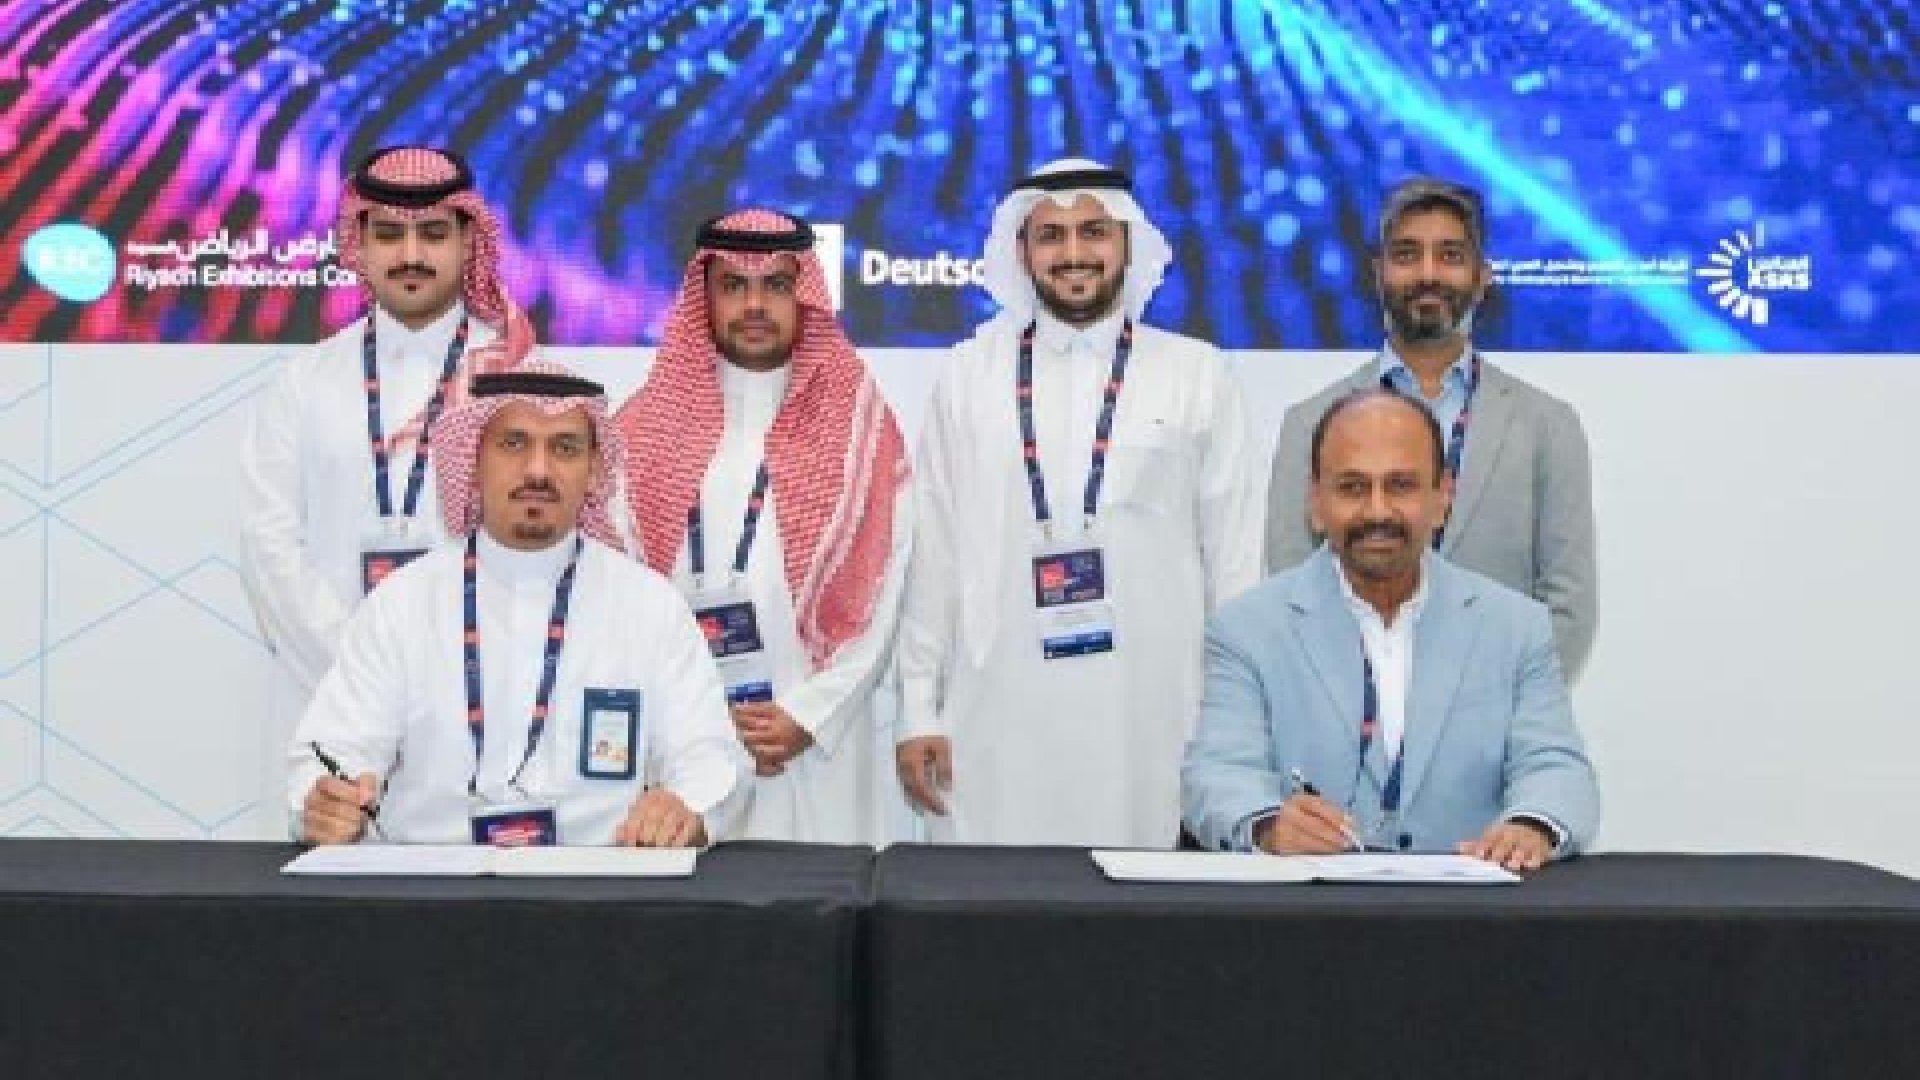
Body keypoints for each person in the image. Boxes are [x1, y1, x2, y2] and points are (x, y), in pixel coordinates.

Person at [895, 158, 1264, 847]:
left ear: (1128, 243)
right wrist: (918, 706)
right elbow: (935, 551)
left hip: (1153, 714)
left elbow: (1235, 565)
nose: (1073, 254)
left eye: (1093, 231)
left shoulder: (1196, 374)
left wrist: (1239, 726)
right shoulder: (969, 376)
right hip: (997, 710)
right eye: (1051, 236)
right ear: (1021, 252)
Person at [290, 363, 745, 847]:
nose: (538, 470)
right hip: (431, 890)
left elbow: (710, 757)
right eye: (513, 444)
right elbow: (332, 751)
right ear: (473, 459)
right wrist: (323, 804)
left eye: (565, 448)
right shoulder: (401, 605)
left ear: (594, 470)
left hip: (596, 892)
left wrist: (686, 807)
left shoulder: (651, 608)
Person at [1185, 388, 1598, 870]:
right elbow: (1217, 772)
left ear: (1442, 498)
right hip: (1311, 920)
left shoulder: (1515, 626)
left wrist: (1531, 826)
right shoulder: (1247, 629)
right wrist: (1267, 825)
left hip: (1473, 923)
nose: (1377, 512)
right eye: (1353, 488)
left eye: (1400, 485)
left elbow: (1556, 767)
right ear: (1316, 502)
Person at [242, 146, 537, 806]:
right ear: (360, 245)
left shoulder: (519, 375)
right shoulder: (304, 383)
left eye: (434, 233)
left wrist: (445, 678)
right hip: (327, 704)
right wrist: (368, 671)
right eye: (390, 234)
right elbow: (270, 550)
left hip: (484, 705)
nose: (411, 254)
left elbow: (545, 549)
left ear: (469, 242)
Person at [618, 209, 911, 844]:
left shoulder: (860, 424)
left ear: (803, 292)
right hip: (682, 743)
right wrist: (683, 720)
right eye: (734, 286)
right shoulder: (641, 429)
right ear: (705, 297)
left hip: (818, 744)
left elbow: (886, 589)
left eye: (777, 285)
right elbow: (619, 595)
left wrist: (808, 714)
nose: (756, 304)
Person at [1264, 177, 1597, 681]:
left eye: (1450, 256)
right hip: (1350, 727)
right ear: (1378, 274)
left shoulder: (1545, 427)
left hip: (1493, 734)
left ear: (1482, 278)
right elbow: (1292, 592)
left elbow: (1568, 608)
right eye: (1406, 254)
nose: (1427, 273)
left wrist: (1504, 714)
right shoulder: (1310, 422)